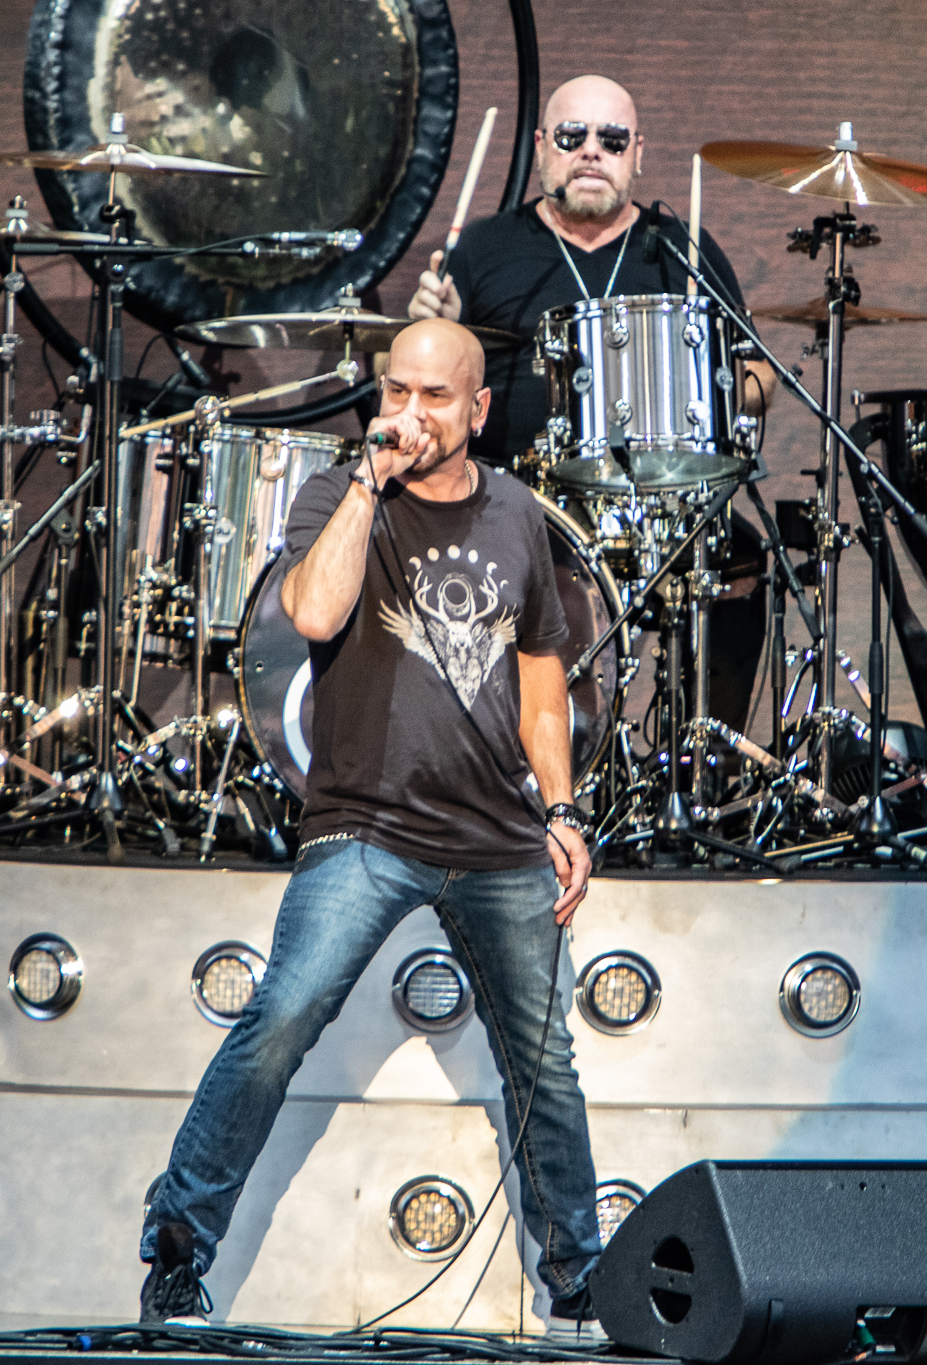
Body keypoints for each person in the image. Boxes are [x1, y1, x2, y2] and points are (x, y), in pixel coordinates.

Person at [137, 318, 605, 1341]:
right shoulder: (336, 494)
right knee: (283, 1014)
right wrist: (367, 484)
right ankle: (176, 1247)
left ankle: (579, 1274)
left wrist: (561, 808)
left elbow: (541, 682)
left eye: (435, 396)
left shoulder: (518, 514)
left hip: (497, 837)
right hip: (365, 826)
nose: (410, 412)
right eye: (397, 390)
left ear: (478, 409)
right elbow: (312, 613)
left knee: (545, 1062)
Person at [410, 73, 775, 466]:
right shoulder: (482, 244)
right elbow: (398, 375)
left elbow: (761, 376)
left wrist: (700, 387)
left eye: (612, 139)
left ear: (637, 154)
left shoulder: (685, 248)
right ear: (540, 147)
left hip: (657, 486)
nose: (591, 152)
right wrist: (428, 331)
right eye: (571, 136)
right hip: (504, 490)